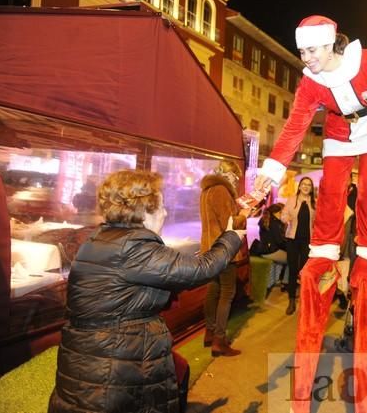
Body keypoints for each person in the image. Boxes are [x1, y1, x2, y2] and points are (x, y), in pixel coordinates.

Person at [254, 15, 367, 413]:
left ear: (331, 44)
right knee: (332, 186)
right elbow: (293, 129)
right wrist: (270, 174)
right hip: (338, 131)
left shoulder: (365, 60)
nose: (307, 58)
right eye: (302, 51)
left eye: (312, 50)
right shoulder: (310, 82)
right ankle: (324, 250)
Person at [48, 170, 245, 413]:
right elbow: (202, 270)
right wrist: (232, 237)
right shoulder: (135, 248)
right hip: (112, 367)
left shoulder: (101, 238)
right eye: (161, 206)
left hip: (93, 358)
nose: (165, 213)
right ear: (143, 212)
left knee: (179, 370)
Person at [201, 161, 250, 357]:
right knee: (227, 292)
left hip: (210, 247)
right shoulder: (221, 190)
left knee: (213, 289)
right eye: (235, 176)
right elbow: (228, 223)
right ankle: (219, 341)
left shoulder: (207, 189)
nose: (236, 180)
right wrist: (245, 214)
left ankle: (209, 332)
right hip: (223, 249)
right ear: (228, 175)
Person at [281, 176, 316, 315]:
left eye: (309, 185)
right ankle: (291, 300)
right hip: (292, 240)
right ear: (299, 186)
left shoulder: (314, 203)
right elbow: (283, 214)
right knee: (293, 269)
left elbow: (317, 221)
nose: (306, 186)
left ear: (311, 188)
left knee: (304, 271)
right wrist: (285, 218)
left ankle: (304, 300)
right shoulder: (292, 200)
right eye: (304, 184)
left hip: (307, 240)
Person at [258, 203, 288, 296]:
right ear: (277, 213)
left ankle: (270, 282)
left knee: (279, 261)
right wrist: (291, 246)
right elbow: (279, 241)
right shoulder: (275, 223)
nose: (284, 215)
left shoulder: (265, 220)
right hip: (271, 251)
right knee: (293, 258)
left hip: (263, 250)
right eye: (282, 213)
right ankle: (286, 283)